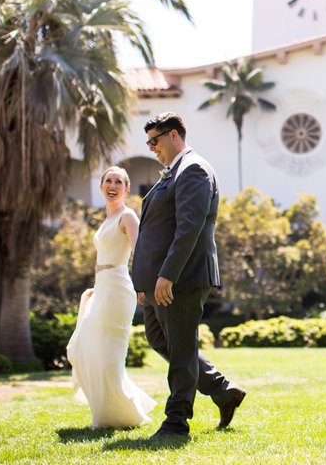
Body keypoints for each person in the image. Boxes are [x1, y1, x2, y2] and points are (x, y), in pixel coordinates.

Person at [132, 112, 246, 439]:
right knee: (159, 338)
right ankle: (223, 391)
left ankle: (176, 423)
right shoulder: (174, 172)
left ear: (173, 136)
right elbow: (154, 230)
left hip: (182, 278)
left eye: (154, 141)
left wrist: (168, 275)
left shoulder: (193, 169)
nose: (152, 147)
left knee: (181, 350)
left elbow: (189, 229)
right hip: (158, 282)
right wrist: (145, 282)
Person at [66, 166, 156, 428]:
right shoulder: (106, 219)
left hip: (118, 290)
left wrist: (142, 286)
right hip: (102, 287)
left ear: (126, 189)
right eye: (108, 180)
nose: (113, 184)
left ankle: (118, 415)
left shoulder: (128, 217)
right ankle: (113, 409)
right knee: (85, 345)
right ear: (102, 186)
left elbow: (140, 252)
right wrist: (96, 286)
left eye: (118, 181)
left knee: (109, 355)